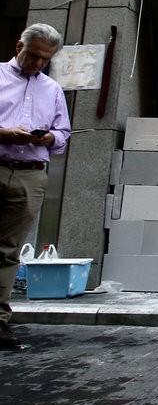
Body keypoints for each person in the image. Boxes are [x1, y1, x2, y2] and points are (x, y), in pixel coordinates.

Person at [0, 24, 72, 347]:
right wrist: (5, 133)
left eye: (46, 59)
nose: (39, 64)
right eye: (34, 55)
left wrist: (49, 137)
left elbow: (64, 133)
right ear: (19, 47)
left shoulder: (52, 90)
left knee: (8, 251)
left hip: (30, 174)